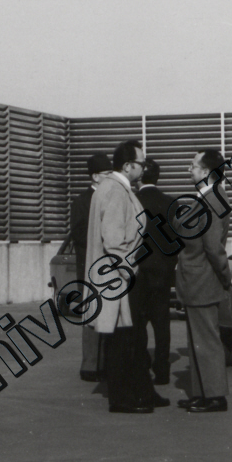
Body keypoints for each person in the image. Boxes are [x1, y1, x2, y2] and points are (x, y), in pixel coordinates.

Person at [85, 139, 163, 413]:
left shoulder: (113, 188)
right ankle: (121, 399)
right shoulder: (115, 191)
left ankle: (139, 392)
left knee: (127, 337)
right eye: (141, 163)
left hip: (116, 275)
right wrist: (129, 272)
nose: (144, 168)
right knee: (120, 340)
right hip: (119, 277)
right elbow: (114, 241)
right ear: (128, 165)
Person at [175, 149, 232, 413]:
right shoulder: (207, 197)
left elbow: (213, 247)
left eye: (193, 165)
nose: (189, 169)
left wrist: (226, 276)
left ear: (207, 172)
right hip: (198, 279)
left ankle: (216, 396)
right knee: (198, 340)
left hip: (202, 280)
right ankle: (202, 393)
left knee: (206, 341)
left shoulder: (212, 200)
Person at [133, 158, 178, 385]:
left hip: (138, 271)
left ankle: (141, 367)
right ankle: (162, 369)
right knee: (162, 323)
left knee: (138, 323)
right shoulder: (171, 202)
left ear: (140, 177)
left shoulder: (132, 201)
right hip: (162, 271)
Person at [70, 153, 112, 382]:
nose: (110, 178)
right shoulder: (81, 201)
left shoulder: (109, 197)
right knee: (90, 315)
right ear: (95, 177)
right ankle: (89, 365)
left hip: (106, 267)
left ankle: (103, 363)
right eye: (107, 174)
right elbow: (78, 233)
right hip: (88, 268)